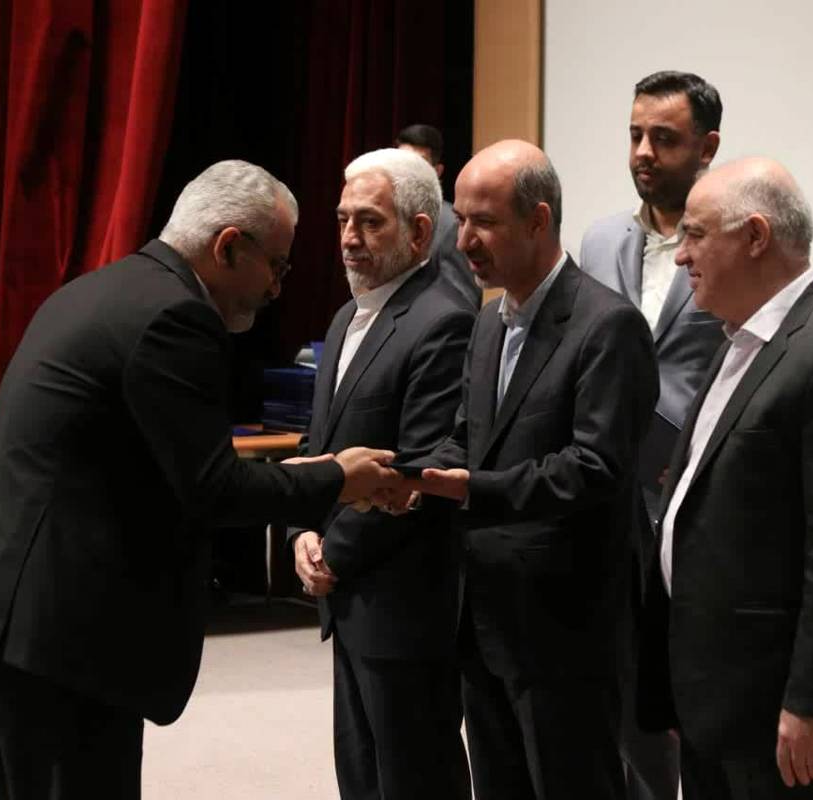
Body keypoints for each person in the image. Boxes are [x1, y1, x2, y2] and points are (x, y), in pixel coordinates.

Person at [0, 160, 398, 799]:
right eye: (277, 266)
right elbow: (214, 492)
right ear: (228, 246)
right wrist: (336, 477)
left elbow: (152, 465)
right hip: (54, 630)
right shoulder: (176, 316)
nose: (277, 288)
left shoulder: (104, 288)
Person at [639, 157, 813, 799]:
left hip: (782, 710)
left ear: (755, 237)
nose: (681, 255)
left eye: (695, 234)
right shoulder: (738, 342)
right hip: (716, 695)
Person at [396, 139, 659, 799]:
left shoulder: (608, 326)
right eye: (461, 219)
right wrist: (412, 481)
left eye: (484, 222)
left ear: (539, 220)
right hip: (485, 616)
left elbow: (596, 467)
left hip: (567, 629)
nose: (464, 241)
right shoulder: (487, 322)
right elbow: (468, 438)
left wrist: (472, 490)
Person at [288, 147, 474, 800]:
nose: (349, 237)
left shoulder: (444, 320)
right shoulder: (346, 317)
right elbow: (317, 446)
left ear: (419, 232)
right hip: (349, 597)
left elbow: (418, 466)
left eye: (369, 221)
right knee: (362, 776)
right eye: (343, 219)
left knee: (414, 779)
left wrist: (330, 552)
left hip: (404, 605)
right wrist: (302, 534)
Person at [577, 69, 725, 800]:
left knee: (690, 683)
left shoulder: (731, 241)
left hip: (692, 492)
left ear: (707, 148)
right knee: (617, 679)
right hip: (605, 490)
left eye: (663, 138)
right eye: (636, 134)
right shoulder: (600, 239)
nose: (642, 151)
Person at [396, 123, 481, 308]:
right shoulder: (387, 219)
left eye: (418, 165)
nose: (406, 172)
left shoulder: (452, 225)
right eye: (401, 163)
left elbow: (461, 304)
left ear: (437, 171)